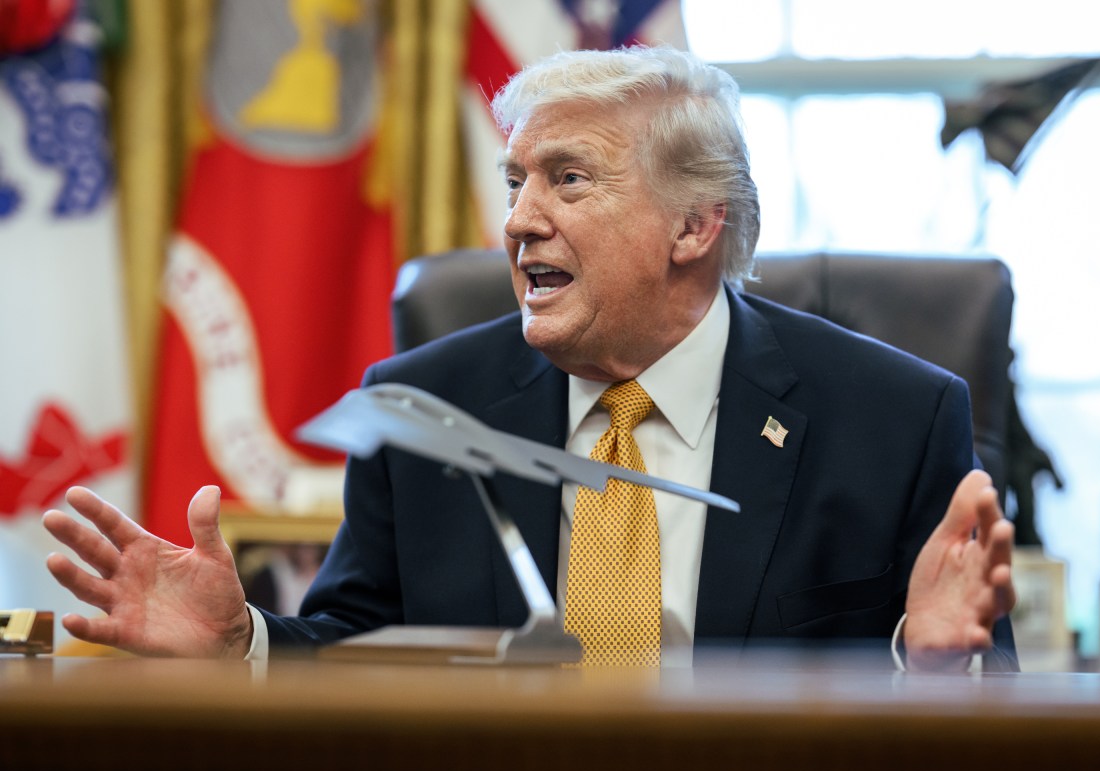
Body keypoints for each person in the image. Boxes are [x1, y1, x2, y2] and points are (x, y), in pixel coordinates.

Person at [43, 45, 1016, 671]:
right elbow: (358, 650)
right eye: (514, 181)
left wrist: (929, 666)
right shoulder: (423, 403)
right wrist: (240, 640)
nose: (516, 221)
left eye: (568, 179)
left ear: (694, 223)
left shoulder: (892, 416)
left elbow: (977, 687)